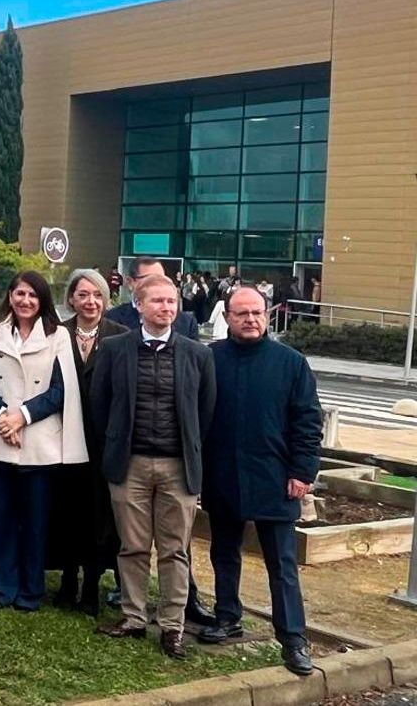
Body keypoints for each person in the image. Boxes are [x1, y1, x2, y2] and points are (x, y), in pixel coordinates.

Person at [90, 273, 216, 659]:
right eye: (158, 301)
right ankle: (133, 616)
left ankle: (173, 626)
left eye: (171, 302)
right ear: (139, 306)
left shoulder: (198, 354)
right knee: (132, 546)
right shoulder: (114, 349)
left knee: (175, 550)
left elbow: (205, 412)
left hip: (178, 468)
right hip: (130, 466)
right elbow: (100, 405)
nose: (166, 308)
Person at [200, 287, 322, 676]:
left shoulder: (291, 362)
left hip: (276, 478)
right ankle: (227, 616)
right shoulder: (211, 359)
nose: (250, 319)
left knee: (282, 565)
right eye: (241, 314)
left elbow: (307, 421)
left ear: (267, 315)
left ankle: (293, 639)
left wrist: (303, 472)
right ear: (228, 317)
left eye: (256, 313)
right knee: (224, 553)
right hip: (222, 475)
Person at [0, 272, 87, 611]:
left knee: (35, 521)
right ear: (10, 296)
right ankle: (1, 585)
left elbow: (61, 390)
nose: (25, 301)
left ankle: (31, 590)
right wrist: (4, 417)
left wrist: (23, 416)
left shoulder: (58, 335)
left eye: (32, 295)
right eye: (19, 293)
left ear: (42, 299)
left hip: (40, 444)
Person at [54, 269, 128, 615]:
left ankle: (92, 585)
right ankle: (67, 580)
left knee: (99, 516)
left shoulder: (120, 336)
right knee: (66, 511)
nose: (90, 301)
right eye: (83, 294)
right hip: (63, 436)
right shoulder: (56, 333)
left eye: (97, 295)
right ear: (71, 298)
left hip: (102, 441)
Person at [105, 257, 200, 339]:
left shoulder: (187, 323)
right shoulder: (112, 319)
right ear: (130, 282)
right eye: (150, 279)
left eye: (161, 279)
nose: (157, 284)